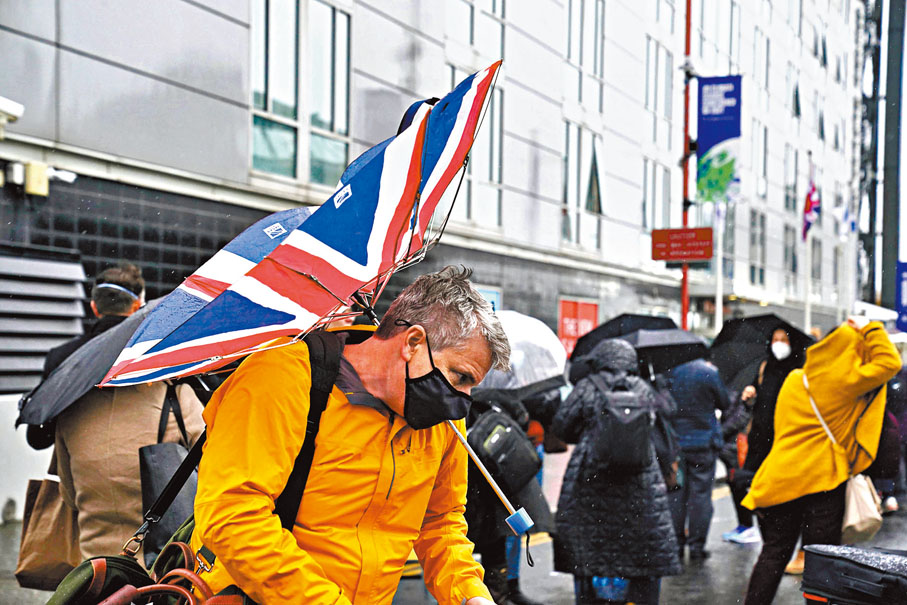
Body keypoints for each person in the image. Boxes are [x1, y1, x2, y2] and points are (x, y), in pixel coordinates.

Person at [189, 266, 509, 604]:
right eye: (460, 377)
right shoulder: (281, 376)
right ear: (413, 342)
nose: (463, 399)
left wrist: (469, 594)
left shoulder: (440, 419)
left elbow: (440, 522)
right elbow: (233, 515)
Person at [50, 263, 205, 564]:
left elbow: (68, 496)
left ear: (94, 307)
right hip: (160, 567)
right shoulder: (175, 395)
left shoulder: (68, 403)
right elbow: (214, 466)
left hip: (96, 570)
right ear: (138, 309)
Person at [741, 317, 900, 605]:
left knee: (774, 553)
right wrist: (871, 328)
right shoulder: (845, 383)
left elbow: (780, 428)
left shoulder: (795, 379)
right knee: (821, 560)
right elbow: (889, 362)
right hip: (823, 480)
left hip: (781, 477)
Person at [552, 339, 681, 605]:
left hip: (591, 480)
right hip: (640, 481)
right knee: (635, 546)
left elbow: (562, 427)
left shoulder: (587, 387)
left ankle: (593, 597)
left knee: (592, 546)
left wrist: (590, 433)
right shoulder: (644, 389)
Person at [666, 357, 731, 561]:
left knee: (676, 495)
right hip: (703, 443)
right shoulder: (708, 373)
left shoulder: (670, 372)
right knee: (701, 496)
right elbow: (725, 402)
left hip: (676, 443)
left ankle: (676, 545)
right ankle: (697, 546)